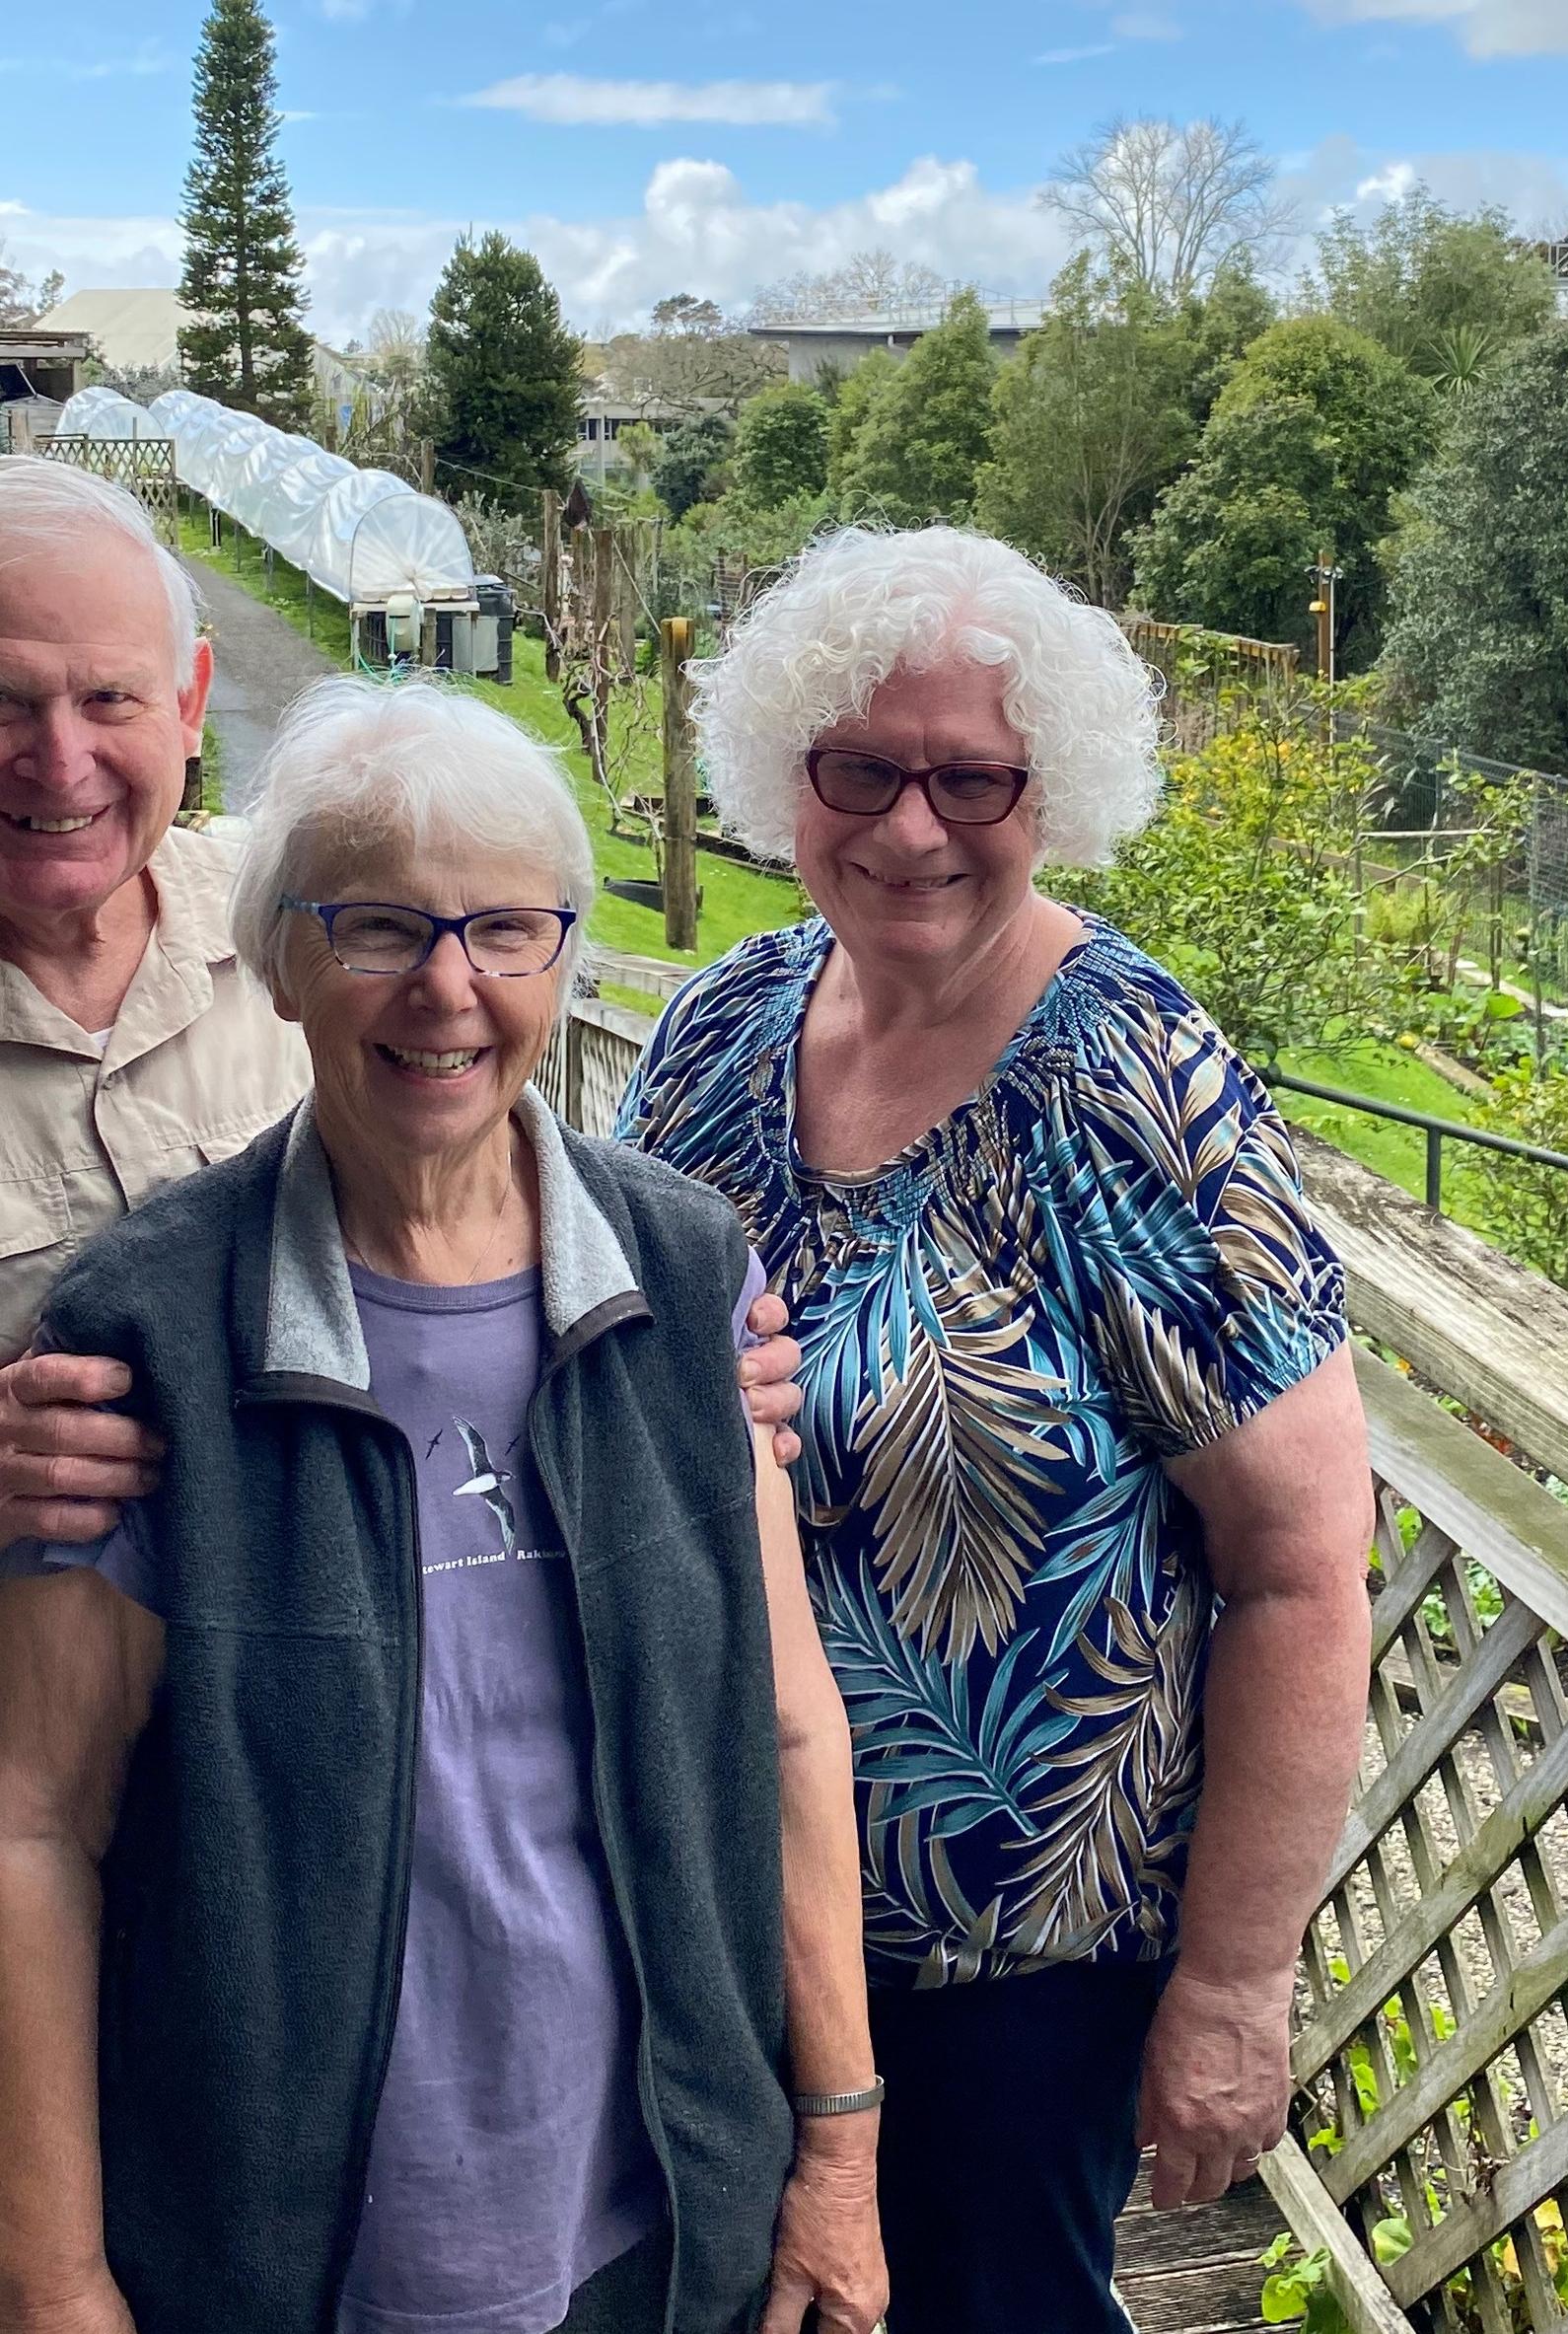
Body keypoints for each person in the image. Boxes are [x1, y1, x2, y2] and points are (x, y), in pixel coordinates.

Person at [0, 679, 886, 2334]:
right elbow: (31, 1822)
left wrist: (839, 2144)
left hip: (652, 2238)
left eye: (505, 929)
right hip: (278, 2261)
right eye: (378, 926)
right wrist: (53, 2281)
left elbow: (783, 1728)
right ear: (278, 962)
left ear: (566, 955)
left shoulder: (686, 1277)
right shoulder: (149, 1332)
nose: (448, 986)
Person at [615, 526, 1378, 2334]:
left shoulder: (1130, 1084)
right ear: (782, 777)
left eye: (973, 775)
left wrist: (1235, 1986)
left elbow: (1302, 1565)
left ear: (1059, 791)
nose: (909, 826)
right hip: (718, 1921)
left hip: (1010, 1980)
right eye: (859, 767)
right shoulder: (725, 1025)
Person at [0, 454, 801, 1549]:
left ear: (188, 703)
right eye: (4, 697)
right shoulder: (313, 927)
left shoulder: (313, 906)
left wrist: (678, 1366)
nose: (59, 757)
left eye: (109, 697)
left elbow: (505, 1198)